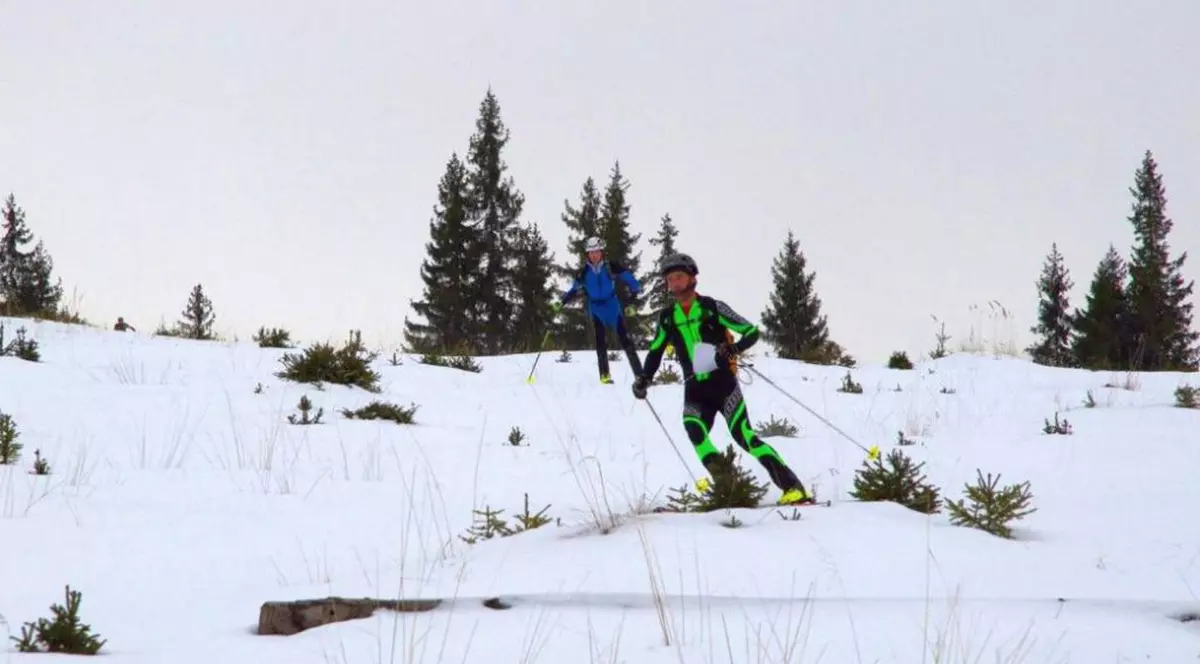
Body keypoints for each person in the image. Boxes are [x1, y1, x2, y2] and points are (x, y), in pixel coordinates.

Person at [632, 252, 813, 505]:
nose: (674, 283)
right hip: (694, 388)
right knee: (694, 431)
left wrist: (733, 349)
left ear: (692, 278)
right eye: (670, 279)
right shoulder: (666, 317)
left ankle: (793, 487)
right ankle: (729, 486)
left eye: (679, 277)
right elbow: (655, 351)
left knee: (744, 437)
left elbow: (750, 331)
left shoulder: (712, 307)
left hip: (723, 385)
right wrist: (644, 379)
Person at [552, 236, 644, 384]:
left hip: (612, 305)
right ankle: (604, 375)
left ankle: (640, 375)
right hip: (596, 308)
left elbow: (631, 281)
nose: (594, 255)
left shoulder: (611, 266)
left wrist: (633, 301)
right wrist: (561, 302)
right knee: (600, 341)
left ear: (602, 252)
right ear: (587, 254)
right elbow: (574, 290)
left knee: (625, 340)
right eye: (591, 252)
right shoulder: (583, 273)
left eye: (597, 251)